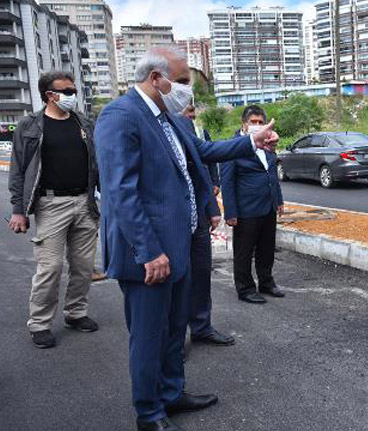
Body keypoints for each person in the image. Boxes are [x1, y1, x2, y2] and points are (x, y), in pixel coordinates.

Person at [94, 46, 278, 431]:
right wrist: (148, 250)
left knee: (176, 328)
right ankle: (149, 413)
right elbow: (120, 192)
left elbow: (203, 153)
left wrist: (251, 141)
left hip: (180, 242)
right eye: (180, 82)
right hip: (148, 253)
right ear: (156, 79)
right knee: (149, 336)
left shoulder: (171, 119)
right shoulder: (119, 117)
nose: (185, 91)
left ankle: (172, 393)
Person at [8, 71, 100, 349]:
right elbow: (18, 170)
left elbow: (97, 163)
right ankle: (39, 323)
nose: (73, 95)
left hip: (85, 203)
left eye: (74, 91)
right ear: (50, 94)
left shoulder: (84, 122)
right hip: (50, 204)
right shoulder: (30, 125)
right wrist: (18, 210)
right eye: (67, 91)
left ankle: (75, 313)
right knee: (50, 267)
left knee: (83, 267)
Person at [177, 107, 234, 346]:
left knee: (201, 273)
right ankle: (175, 341)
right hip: (172, 217)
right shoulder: (156, 128)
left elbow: (204, 171)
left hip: (198, 213)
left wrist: (212, 208)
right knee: (178, 281)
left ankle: (201, 327)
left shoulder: (194, 130)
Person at [220, 105, 284, 304]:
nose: (257, 126)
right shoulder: (234, 146)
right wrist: (230, 211)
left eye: (260, 122)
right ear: (244, 124)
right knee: (244, 250)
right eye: (253, 122)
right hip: (246, 209)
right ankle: (245, 288)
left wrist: (279, 200)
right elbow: (227, 181)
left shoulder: (267, 144)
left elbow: (271, 174)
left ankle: (266, 281)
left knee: (267, 247)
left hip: (267, 207)